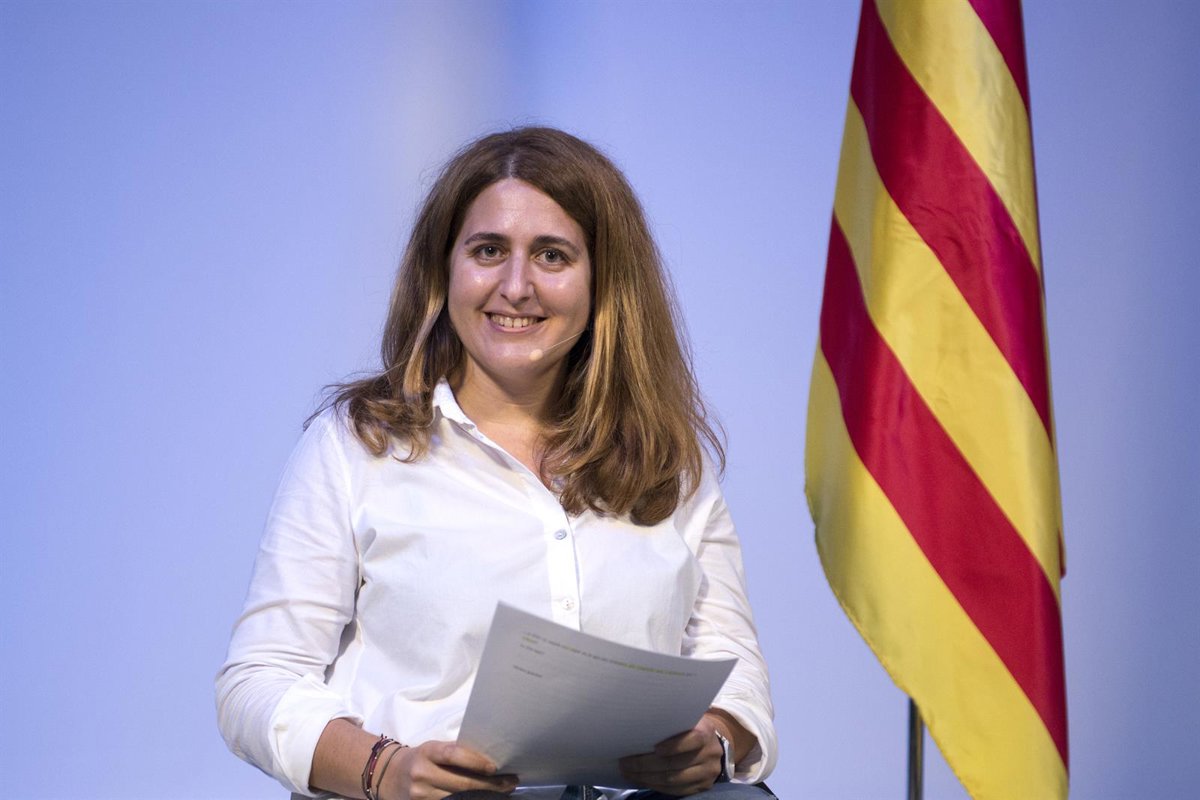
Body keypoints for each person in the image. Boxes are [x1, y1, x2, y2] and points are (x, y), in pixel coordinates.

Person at [216, 127, 777, 800]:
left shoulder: (666, 459)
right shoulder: (356, 445)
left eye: (551, 256)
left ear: (602, 281)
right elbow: (258, 680)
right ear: (443, 270)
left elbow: (735, 672)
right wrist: (385, 769)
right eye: (488, 251)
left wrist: (715, 739)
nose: (516, 286)